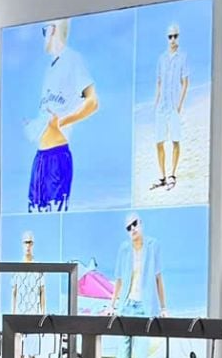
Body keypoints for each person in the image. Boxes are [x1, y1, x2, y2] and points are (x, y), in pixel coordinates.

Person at [28, 18, 99, 212]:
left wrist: (62, 121)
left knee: (55, 215)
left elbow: (93, 101)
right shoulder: (49, 69)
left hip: (57, 158)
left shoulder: (73, 59)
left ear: (52, 30)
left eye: (44, 31)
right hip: (40, 158)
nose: (44, 36)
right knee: (35, 215)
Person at [151, 22, 191, 191]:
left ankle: (172, 175)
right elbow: (159, 82)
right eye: (170, 36)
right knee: (159, 142)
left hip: (174, 105)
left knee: (175, 140)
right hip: (162, 105)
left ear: (178, 37)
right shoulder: (161, 58)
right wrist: (155, 102)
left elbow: (185, 82)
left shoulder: (183, 57)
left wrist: (180, 104)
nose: (173, 39)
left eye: (175, 36)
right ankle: (162, 176)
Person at [109, 213, 165, 317]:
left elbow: (158, 278)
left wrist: (163, 308)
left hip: (146, 306)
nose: (133, 228)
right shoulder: (124, 249)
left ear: (141, 223)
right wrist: (111, 305)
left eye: (135, 223)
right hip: (126, 305)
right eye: (129, 228)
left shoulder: (153, 245)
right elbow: (119, 280)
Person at [12, 230, 46, 315]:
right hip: (20, 314)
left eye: (30, 242)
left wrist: (43, 314)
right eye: (25, 242)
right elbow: (14, 293)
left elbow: (42, 292)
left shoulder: (38, 267)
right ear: (22, 244)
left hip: (35, 314)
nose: (28, 245)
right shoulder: (17, 268)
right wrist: (13, 314)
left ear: (33, 244)